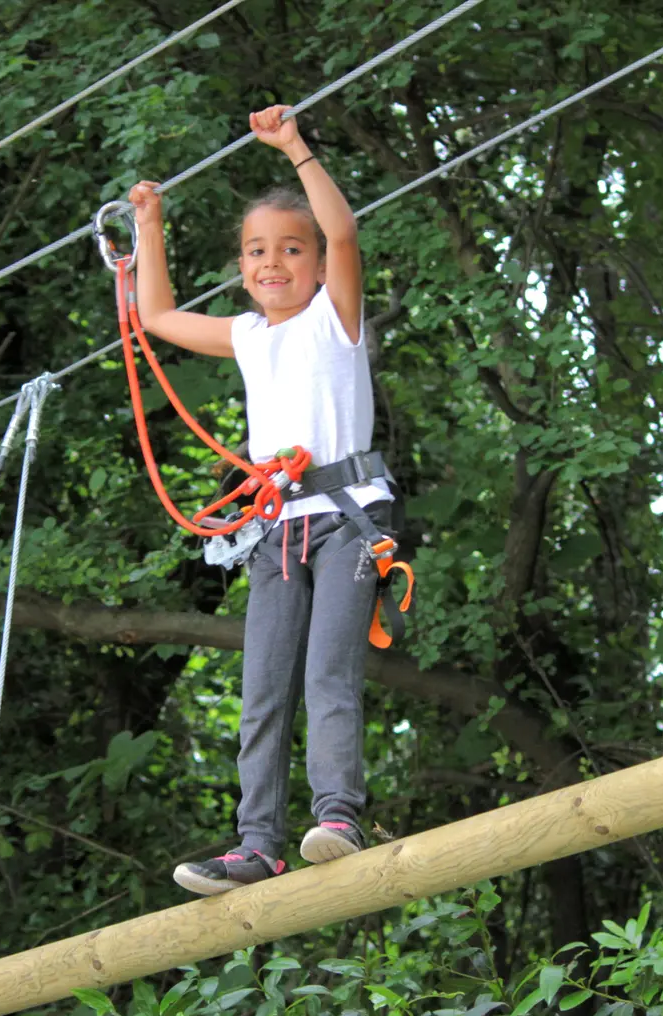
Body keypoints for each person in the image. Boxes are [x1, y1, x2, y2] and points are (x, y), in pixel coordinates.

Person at [128, 105, 397, 896]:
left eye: (290, 249)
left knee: (327, 674)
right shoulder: (250, 334)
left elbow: (344, 234)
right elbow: (156, 317)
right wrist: (150, 223)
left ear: (315, 265)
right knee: (264, 689)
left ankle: (338, 816)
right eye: (256, 252)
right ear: (242, 268)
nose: (272, 262)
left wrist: (296, 147)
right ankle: (258, 845)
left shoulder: (332, 319)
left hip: (347, 516)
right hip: (278, 529)